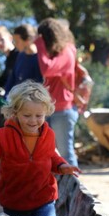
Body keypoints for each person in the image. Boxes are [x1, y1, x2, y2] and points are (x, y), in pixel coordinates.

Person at [0, 80, 80, 216]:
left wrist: (62, 166)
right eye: (27, 115)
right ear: (15, 112)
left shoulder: (48, 134)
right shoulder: (3, 135)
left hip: (44, 199)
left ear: (46, 113)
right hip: (14, 202)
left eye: (39, 116)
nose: (33, 121)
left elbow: (51, 156)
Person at [34, 18, 79, 167]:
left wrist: (39, 45)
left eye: (43, 39)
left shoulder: (67, 52)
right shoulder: (56, 53)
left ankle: (76, 188)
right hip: (50, 108)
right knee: (50, 152)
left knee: (66, 153)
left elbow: (47, 69)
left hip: (63, 110)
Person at [7, 23, 43, 95]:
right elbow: (12, 79)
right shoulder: (20, 56)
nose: (15, 44)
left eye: (17, 41)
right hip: (17, 99)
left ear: (28, 40)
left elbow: (39, 85)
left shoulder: (39, 59)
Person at [0, 25, 19, 94]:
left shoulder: (18, 55)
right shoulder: (8, 58)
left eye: (2, 40)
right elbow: (5, 78)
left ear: (10, 38)